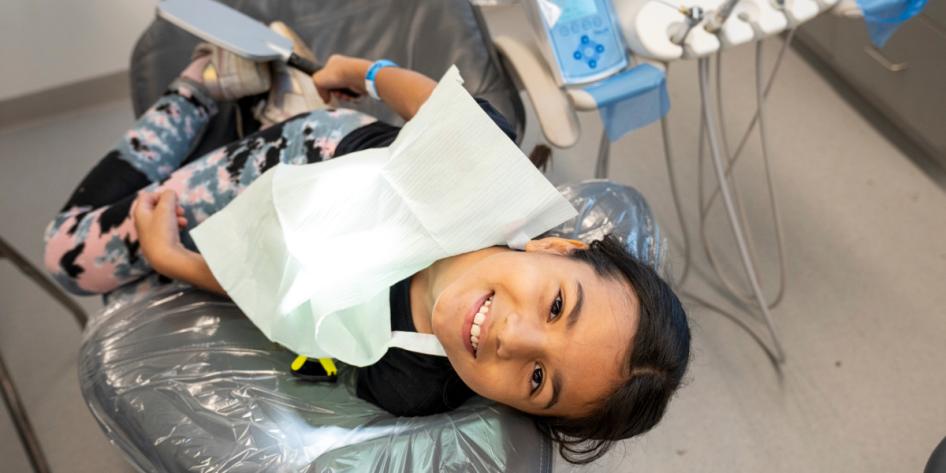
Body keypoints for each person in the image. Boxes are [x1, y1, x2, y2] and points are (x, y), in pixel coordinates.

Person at [42, 23, 691, 464]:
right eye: (555, 307)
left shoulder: (408, 377)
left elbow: (276, 290)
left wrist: (174, 261)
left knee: (143, 269)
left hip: (279, 224)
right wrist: (366, 71)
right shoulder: (488, 174)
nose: (511, 337)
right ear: (557, 251)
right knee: (69, 253)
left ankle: (268, 97)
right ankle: (202, 84)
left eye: (538, 377)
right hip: (314, 152)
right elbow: (431, 108)